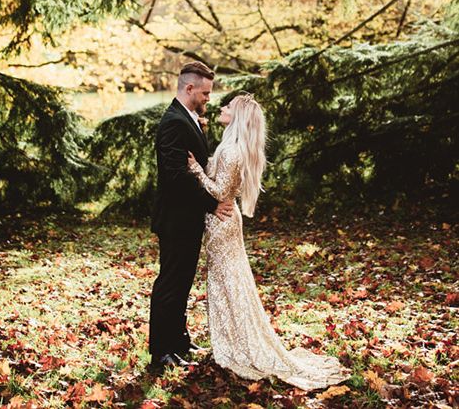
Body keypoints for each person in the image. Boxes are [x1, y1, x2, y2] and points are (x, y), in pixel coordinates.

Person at [186, 93, 350, 390]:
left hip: (222, 221)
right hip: (224, 221)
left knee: (227, 283)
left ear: (238, 117)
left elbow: (219, 190)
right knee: (229, 283)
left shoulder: (233, 151)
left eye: (229, 107)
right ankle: (232, 340)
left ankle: (235, 346)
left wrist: (196, 168)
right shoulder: (231, 146)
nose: (222, 107)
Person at [149, 61, 234, 369]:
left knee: (182, 282)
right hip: (175, 218)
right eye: (205, 92)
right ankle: (161, 351)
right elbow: (175, 175)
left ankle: (179, 342)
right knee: (170, 283)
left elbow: (194, 165)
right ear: (189, 88)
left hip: (186, 218)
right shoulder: (174, 122)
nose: (208, 99)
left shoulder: (191, 119)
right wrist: (211, 203)